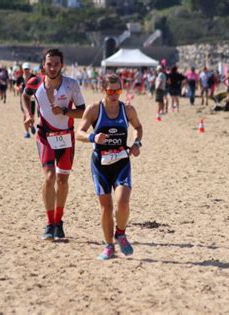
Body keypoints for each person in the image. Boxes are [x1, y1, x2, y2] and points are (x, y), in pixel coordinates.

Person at [76, 74, 143, 260]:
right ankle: (109, 246)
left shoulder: (127, 110)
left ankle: (120, 233)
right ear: (103, 90)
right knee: (106, 207)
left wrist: (137, 143)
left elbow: (138, 127)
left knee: (123, 202)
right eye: (111, 91)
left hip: (121, 162)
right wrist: (92, 137)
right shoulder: (94, 109)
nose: (115, 95)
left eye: (118, 91)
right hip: (100, 165)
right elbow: (78, 132)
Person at [22, 49, 86, 241]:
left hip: (66, 138)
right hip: (45, 136)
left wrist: (66, 111)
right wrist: (28, 114)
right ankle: (49, 223)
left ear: (62, 65)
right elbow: (25, 95)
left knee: (62, 181)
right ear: (44, 65)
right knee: (49, 177)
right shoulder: (35, 83)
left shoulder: (71, 85)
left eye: (56, 64)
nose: (52, 68)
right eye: (49, 64)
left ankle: (59, 221)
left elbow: (83, 112)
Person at [16, 63, 37, 138]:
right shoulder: (20, 78)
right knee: (25, 114)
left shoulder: (34, 77)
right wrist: (18, 88)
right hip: (23, 99)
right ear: (23, 69)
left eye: (27, 69)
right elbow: (15, 86)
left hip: (32, 98)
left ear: (30, 69)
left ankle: (31, 125)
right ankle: (26, 132)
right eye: (25, 69)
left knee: (32, 115)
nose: (26, 71)